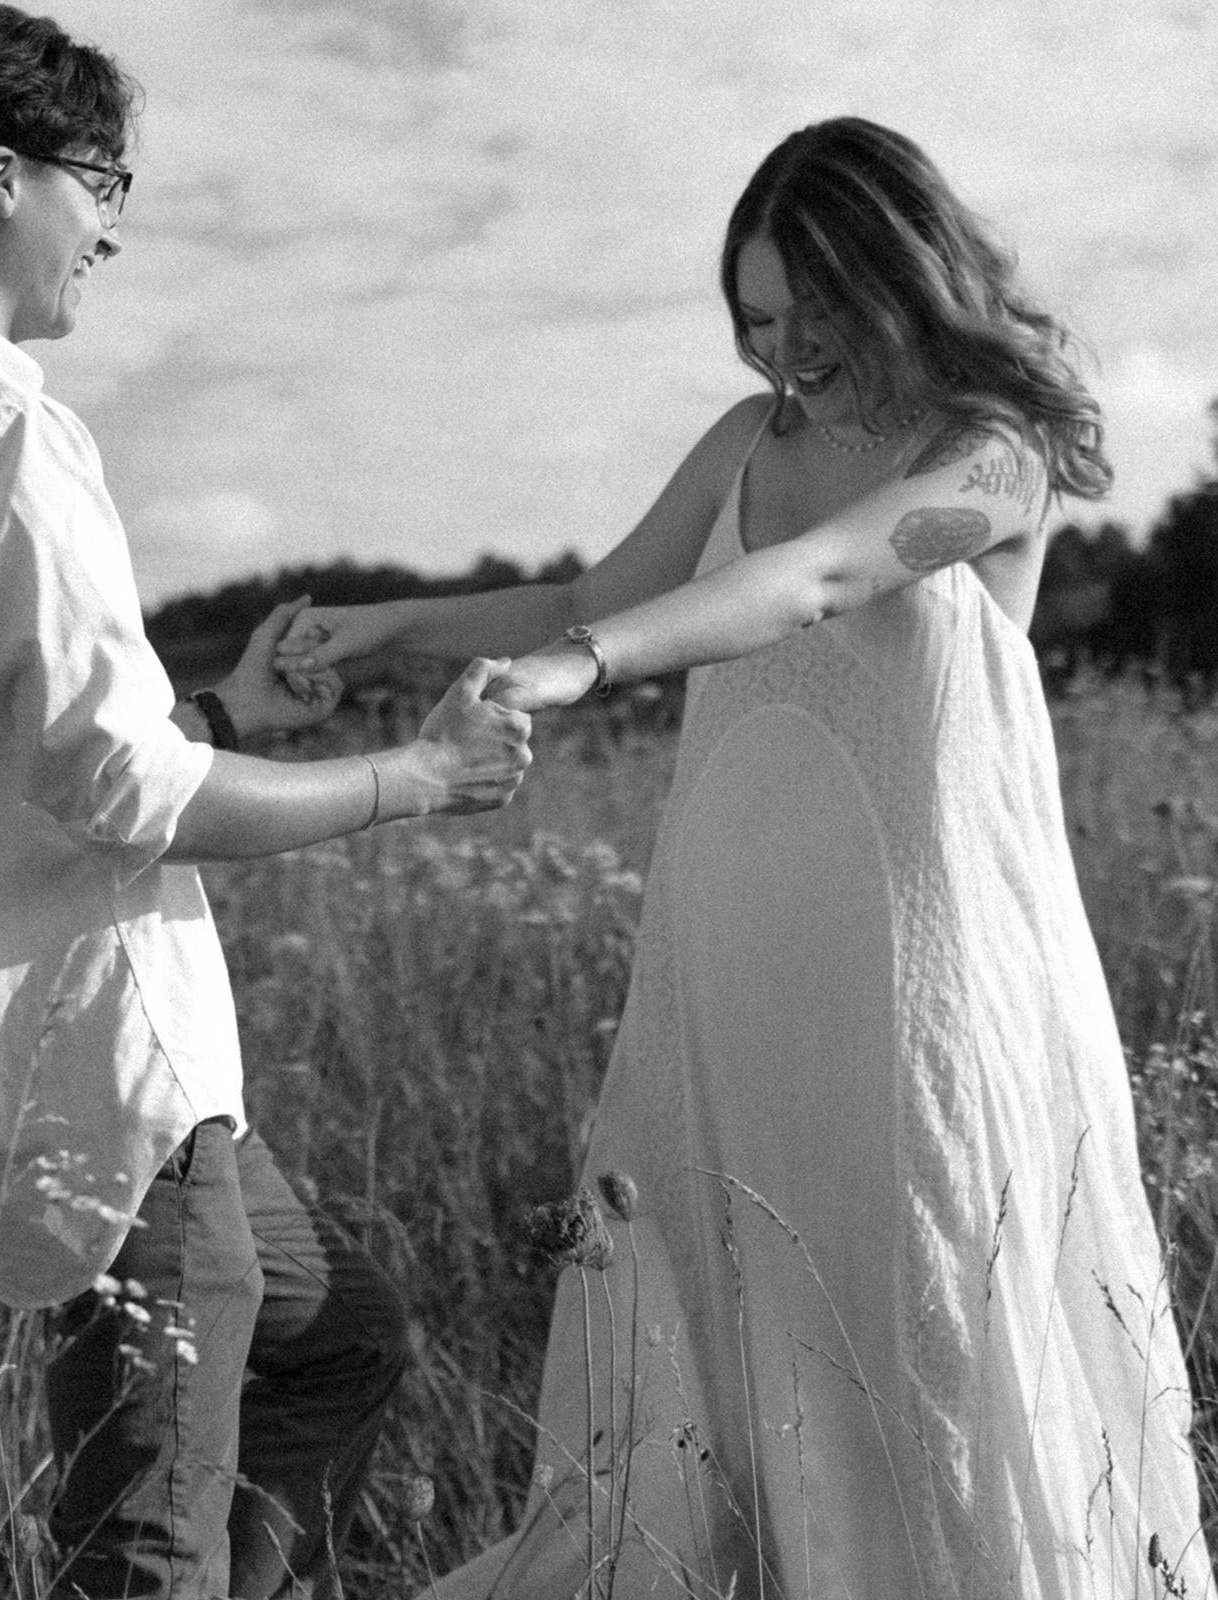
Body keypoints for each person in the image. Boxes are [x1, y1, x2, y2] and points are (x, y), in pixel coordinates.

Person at [275, 118, 1213, 1596]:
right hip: (724, 966)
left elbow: (819, 578)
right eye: (758, 321)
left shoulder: (995, 453)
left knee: (915, 1296)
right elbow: (592, 592)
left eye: (814, 312)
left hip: (919, 978)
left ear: (902, 276)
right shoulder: (747, 440)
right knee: (709, 1325)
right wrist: (387, 627)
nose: (786, 354)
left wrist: (587, 667)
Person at [0, 6, 532, 1597]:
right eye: (101, 182)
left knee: (340, 1338)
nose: (111, 228)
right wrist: (416, 779)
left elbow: (14, 759)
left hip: (24, 1062)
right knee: (145, 1550)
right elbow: (126, 793)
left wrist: (224, 713)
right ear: (3, 175)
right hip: (107, 1071)